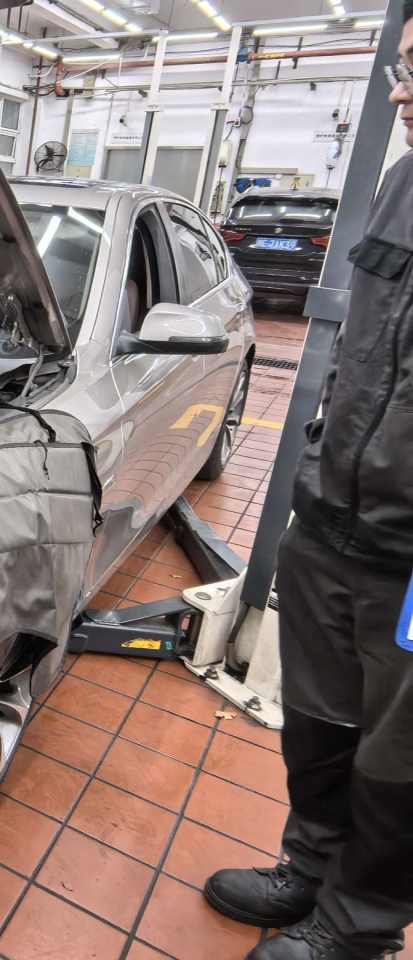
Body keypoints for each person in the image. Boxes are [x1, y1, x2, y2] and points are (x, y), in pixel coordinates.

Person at [203, 7, 413, 959]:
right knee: (320, 724)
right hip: (334, 523)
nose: (398, 93)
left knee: (400, 761)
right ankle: (310, 871)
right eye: (399, 70)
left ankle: (357, 928)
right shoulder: (404, 183)